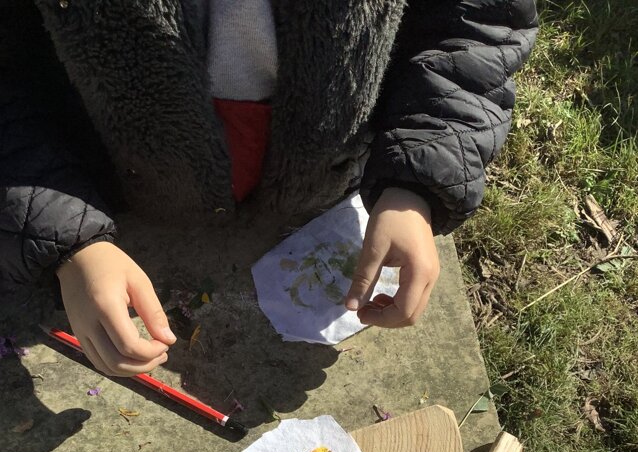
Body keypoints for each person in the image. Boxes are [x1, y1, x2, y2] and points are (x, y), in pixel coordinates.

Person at [0, 0, 538, 377]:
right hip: (105, 178)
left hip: (322, 180)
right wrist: (64, 233)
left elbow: (475, 25)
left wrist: (415, 181)